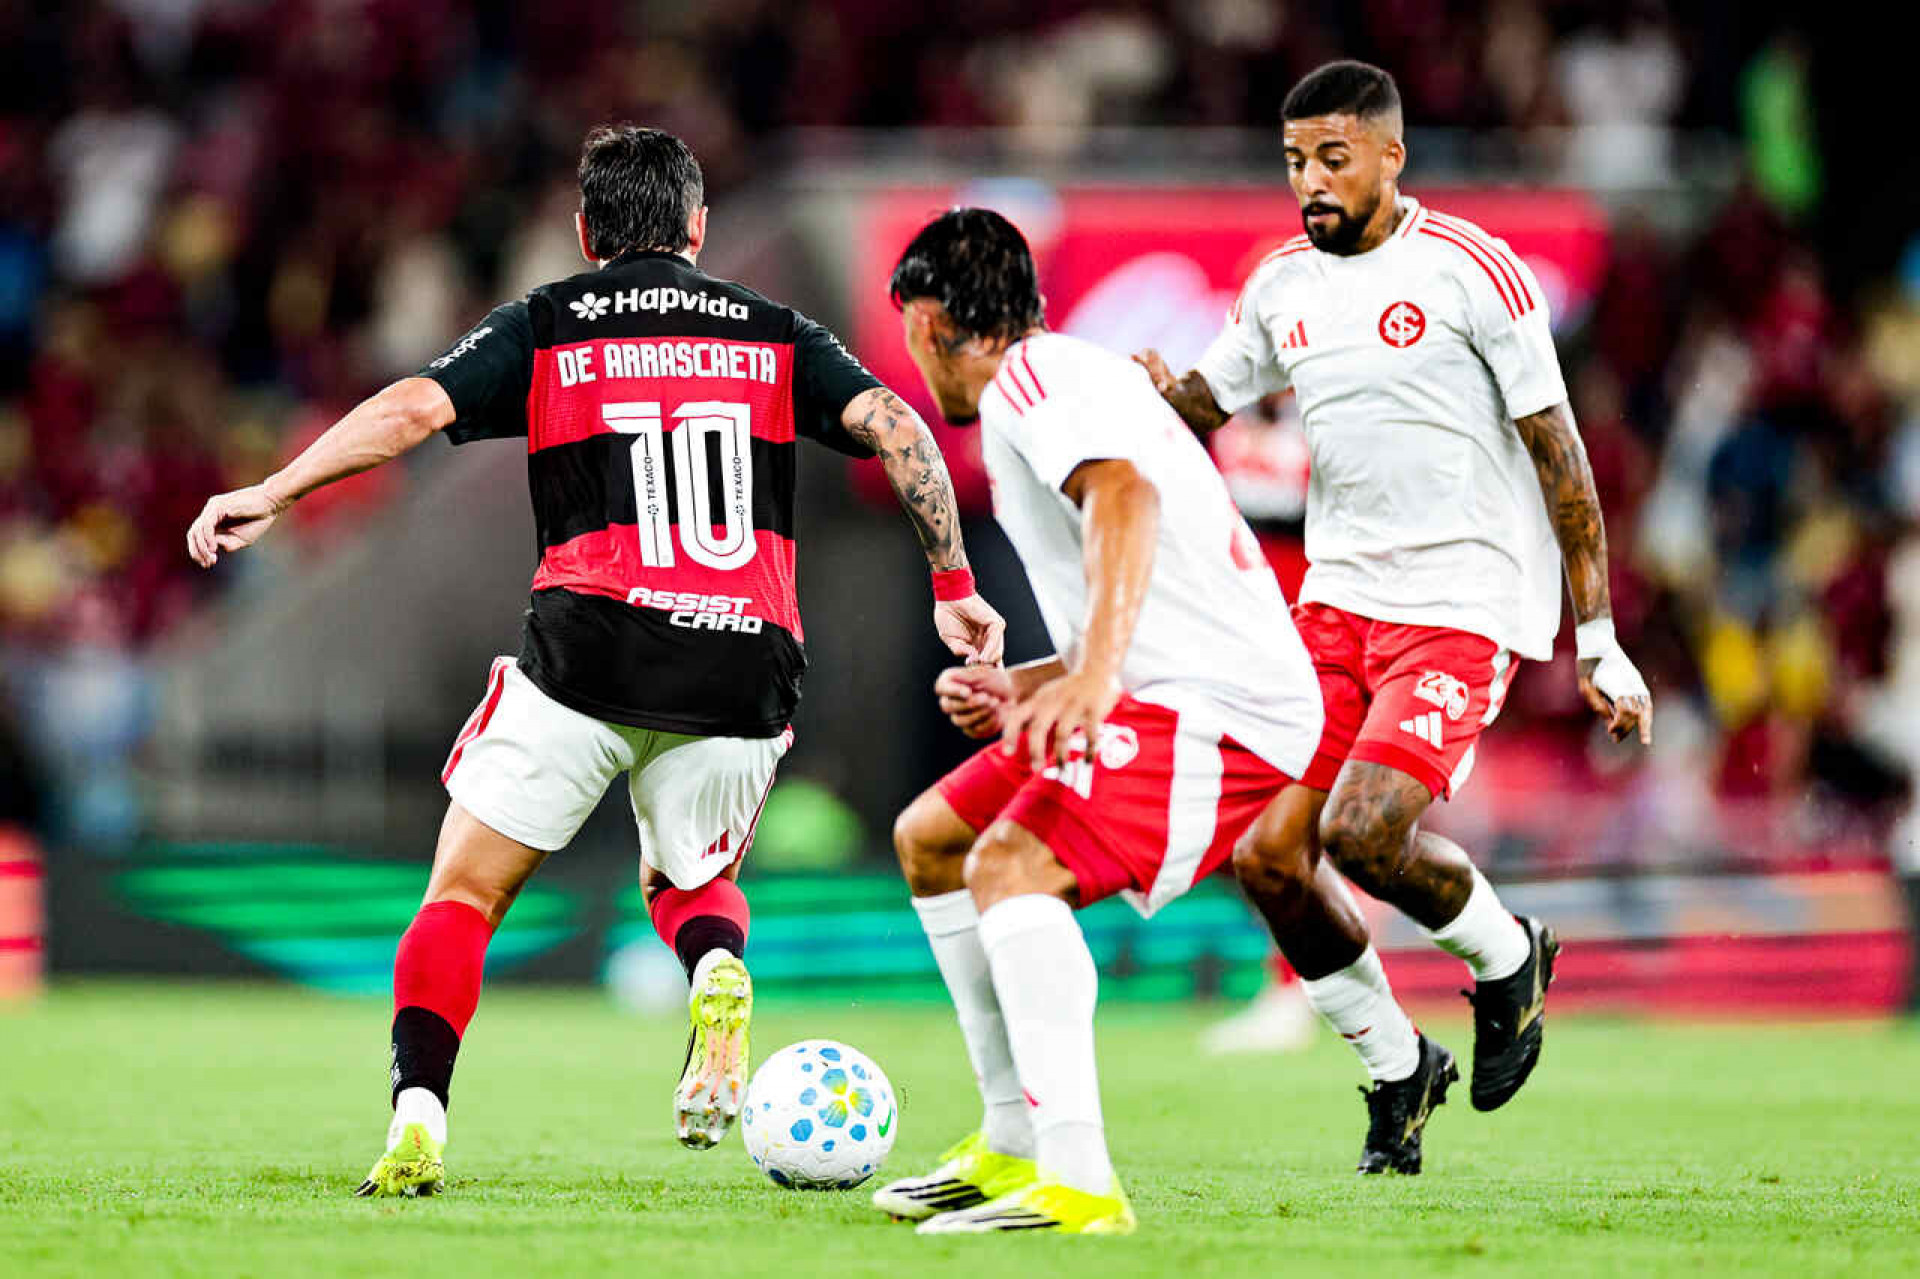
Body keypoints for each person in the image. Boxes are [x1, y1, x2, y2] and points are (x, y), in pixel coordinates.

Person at [185, 125, 1005, 1197]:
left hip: (592, 650)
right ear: (698, 227)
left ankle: (419, 1119)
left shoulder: (551, 322)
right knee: (691, 881)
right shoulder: (775, 332)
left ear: (584, 232)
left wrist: (275, 489)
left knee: (463, 894)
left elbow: (414, 409)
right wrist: (953, 584)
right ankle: (718, 967)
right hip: (743, 660)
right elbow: (898, 425)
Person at [874, 208, 1449, 1236]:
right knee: (935, 840)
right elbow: (1157, 582)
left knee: (1012, 866)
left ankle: (1078, 1182)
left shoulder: (1029, 382)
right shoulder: (1066, 379)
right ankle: (1012, 1140)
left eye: (916, 336)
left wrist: (1094, 679)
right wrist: (1032, 683)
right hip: (1190, 680)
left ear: (931, 324)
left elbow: (1126, 499)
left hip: (1219, 704)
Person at [1136, 61, 1653, 1117]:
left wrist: (1598, 636)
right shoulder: (1282, 284)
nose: (1311, 182)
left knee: (1363, 833)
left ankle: (1509, 954)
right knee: (1268, 856)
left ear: (1390, 156)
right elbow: (1206, 403)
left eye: (1333, 158)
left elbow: (1561, 454)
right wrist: (1152, 398)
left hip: (1459, 605)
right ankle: (1397, 1065)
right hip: (1335, 604)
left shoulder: (1474, 270)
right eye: (1295, 161)